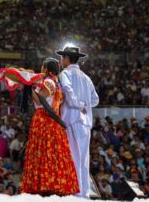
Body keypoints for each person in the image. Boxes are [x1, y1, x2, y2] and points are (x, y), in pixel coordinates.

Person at [20, 58, 79, 196]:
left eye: (42, 66)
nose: (41, 69)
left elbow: (38, 99)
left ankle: (45, 186)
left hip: (44, 121)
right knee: (52, 154)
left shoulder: (49, 82)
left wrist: (28, 86)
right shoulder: (56, 83)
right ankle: (53, 184)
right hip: (51, 122)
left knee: (43, 153)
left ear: (46, 69)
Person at [57, 45, 99, 199]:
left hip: (72, 120)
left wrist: (78, 104)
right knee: (83, 160)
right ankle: (84, 194)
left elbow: (67, 90)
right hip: (85, 123)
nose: (61, 60)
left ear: (67, 58)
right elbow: (95, 100)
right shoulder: (86, 77)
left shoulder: (65, 73)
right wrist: (86, 104)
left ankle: (75, 194)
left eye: (62, 57)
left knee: (73, 158)